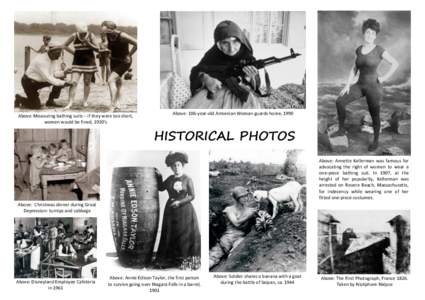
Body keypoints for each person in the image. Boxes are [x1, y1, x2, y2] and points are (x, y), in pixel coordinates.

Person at [331, 18, 399, 151]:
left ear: (375, 36)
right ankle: (341, 130)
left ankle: (376, 141)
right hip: (360, 85)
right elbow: (354, 68)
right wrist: (347, 85)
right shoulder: (359, 50)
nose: (370, 36)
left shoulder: (379, 50)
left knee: (375, 115)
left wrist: (384, 78)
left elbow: (395, 63)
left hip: (374, 87)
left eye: (373, 34)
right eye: (368, 32)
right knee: (340, 101)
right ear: (364, 33)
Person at [185, 20, 263, 109]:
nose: (231, 48)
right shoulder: (212, 55)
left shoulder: (246, 56)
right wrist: (206, 78)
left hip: (240, 93)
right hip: (214, 92)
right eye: (225, 43)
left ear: (241, 40)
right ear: (218, 44)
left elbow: (256, 85)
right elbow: (196, 71)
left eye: (235, 41)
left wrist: (251, 78)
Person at [154, 152, 201, 269]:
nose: (176, 168)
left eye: (178, 165)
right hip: (170, 211)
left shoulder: (187, 179)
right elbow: (160, 188)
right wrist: (159, 176)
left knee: (183, 235)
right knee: (170, 233)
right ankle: (169, 260)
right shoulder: (170, 179)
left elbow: (192, 196)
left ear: (183, 165)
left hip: (185, 211)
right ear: (171, 167)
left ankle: (184, 260)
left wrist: (180, 202)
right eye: (174, 166)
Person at [209, 186, 258, 269]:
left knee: (234, 258)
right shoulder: (229, 209)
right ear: (236, 198)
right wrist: (249, 216)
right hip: (227, 238)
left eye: (246, 195)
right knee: (212, 258)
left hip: (240, 238)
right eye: (242, 197)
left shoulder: (250, 210)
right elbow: (236, 223)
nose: (245, 198)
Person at [15, 42, 71, 109]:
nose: (59, 56)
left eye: (59, 54)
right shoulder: (41, 61)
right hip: (29, 83)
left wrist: (64, 73)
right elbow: (49, 78)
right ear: (51, 52)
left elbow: (54, 74)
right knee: (35, 106)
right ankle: (19, 98)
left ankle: (50, 101)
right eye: (58, 54)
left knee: (61, 79)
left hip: (40, 80)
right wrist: (64, 83)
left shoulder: (53, 58)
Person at [101, 21, 137, 111]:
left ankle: (112, 106)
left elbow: (137, 43)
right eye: (104, 32)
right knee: (118, 83)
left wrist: (129, 55)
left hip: (124, 61)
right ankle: (118, 104)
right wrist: (103, 49)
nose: (106, 34)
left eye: (107, 32)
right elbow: (105, 50)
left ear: (112, 29)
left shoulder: (122, 35)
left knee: (110, 80)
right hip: (113, 60)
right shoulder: (106, 35)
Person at [62, 23, 99, 109]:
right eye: (81, 33)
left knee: (87, 82)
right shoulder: (74, 35)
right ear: (78, 31)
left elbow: (98, 49)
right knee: (73, 82)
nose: (83, 34)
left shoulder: (91, 35)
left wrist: (89, 43)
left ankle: (85, 101)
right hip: (77, 62)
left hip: (89, 62)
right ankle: (70, 102)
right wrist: (73, 52)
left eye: (84, 33)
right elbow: (64, 45)